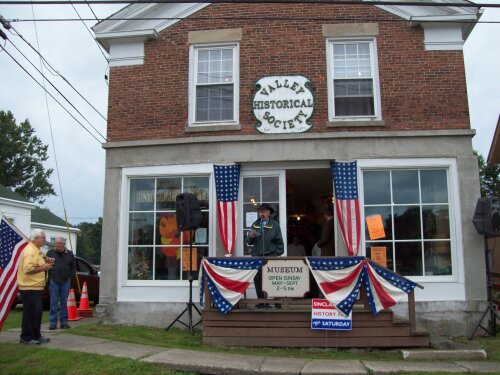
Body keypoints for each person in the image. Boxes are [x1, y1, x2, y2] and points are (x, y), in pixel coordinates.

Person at [17, 229, 53, 345]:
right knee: (30, 313)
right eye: (43, 237)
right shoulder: (30, 251)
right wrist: (44, 268)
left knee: (37, 313)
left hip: (36, 287)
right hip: (29, 287)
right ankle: (26, 337)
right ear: (36, 238)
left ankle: (36, 335)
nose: (45, 240)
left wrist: (46, 262)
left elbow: (37, 264)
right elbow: (28, 268)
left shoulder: (37, 250)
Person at [247, 203, 284, 304]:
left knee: (270, 281)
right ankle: (261, 302)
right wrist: (251, 236)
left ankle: (274, 303)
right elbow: (249, 242)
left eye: (263, 211)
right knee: (258, 281)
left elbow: (280, 244)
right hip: (257, 258)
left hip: (270, 258)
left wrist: (275, 255)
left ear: (268, 213)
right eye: (260, 211)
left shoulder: (275, 225)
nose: (261, 213)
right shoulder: (255, 224)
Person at [46, 237, 76, 330]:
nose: (58, 245)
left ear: (64, 244)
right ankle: (52, 323)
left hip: (65, 282)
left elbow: (73, 267)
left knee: (64, 303)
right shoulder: (50, 253)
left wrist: (69, 277)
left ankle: (64, 322)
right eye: (56, 243)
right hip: (54, 281)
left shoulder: (70, 254)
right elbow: (46, 266)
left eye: (60, 243)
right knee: (53, 303)